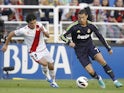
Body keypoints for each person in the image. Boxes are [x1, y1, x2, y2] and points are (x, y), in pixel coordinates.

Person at [60, 9, 123, 88]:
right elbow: (62, 36)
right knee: (90, 71)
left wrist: (108, 48)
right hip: (80, 50)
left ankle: (115, 81)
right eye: (79, 18)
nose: (80, 19)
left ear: (86, 16)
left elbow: (100, 37)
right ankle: (98, 78)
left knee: (102, 61)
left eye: (82, 17)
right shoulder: (74, 26)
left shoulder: (91, 25)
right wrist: (69, 42)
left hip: (90, 46)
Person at [1, 13, 59, 88]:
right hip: (34, 51)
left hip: (44, 49)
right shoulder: (24, 30)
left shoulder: (40, 25)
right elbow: (11, 33)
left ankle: (53, 82)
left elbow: (48, 36)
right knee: (44, 63)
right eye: (32, 23)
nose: (34, 24)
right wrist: (6, 45)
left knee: (51, 66)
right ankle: (47, 76)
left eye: (35, 22)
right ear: (28, 23)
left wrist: (44, 31)